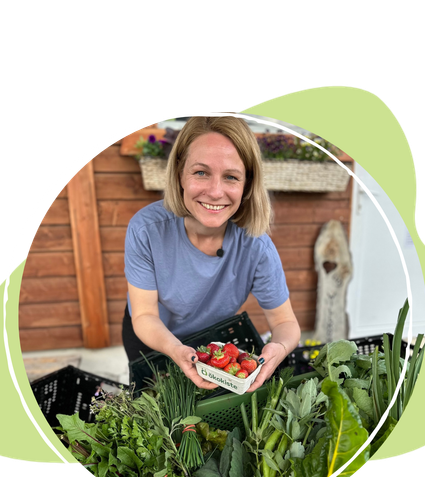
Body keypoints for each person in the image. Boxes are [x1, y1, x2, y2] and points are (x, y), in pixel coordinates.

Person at [123, 115, 301, 392]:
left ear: (246, 185)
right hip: (153, 336)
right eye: (201, 172)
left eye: (231, 177)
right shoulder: (146, 230)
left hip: (212, 342)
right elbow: (144, 314)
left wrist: (279, 346)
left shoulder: (256, 247)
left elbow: (285, 322)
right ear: (180, 174)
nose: (215, 192)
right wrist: (175, 349)